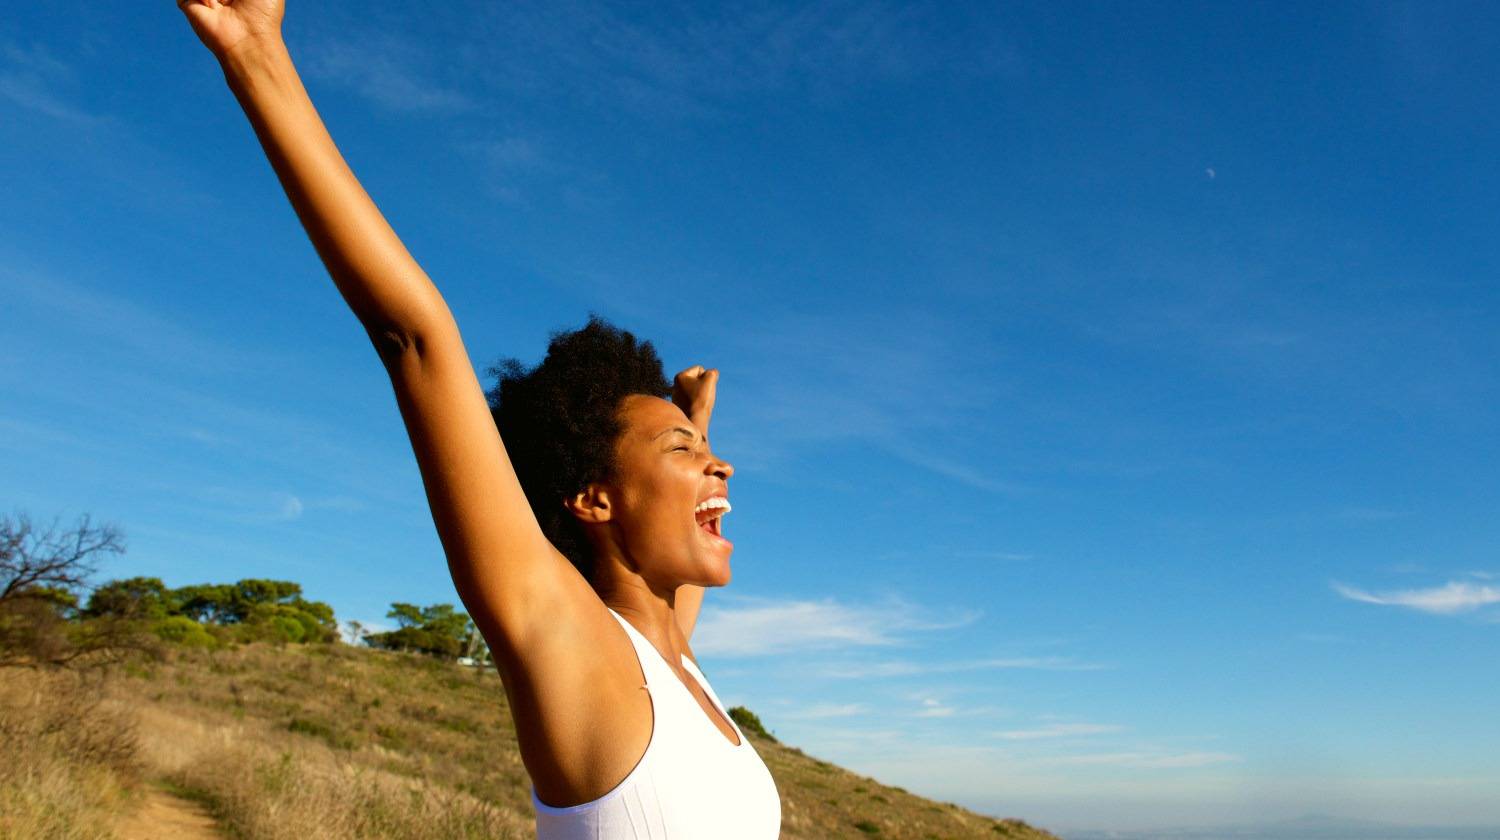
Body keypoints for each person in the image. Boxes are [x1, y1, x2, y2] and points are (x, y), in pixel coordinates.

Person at [177, 2, 783, 836]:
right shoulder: (568, 642)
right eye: (689, 451)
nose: (723, 466)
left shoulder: (676, 658)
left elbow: (663, 550)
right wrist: (256, 54)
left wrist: (689, 426)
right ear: (592, 500)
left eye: (709, 451)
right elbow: (415, 337)